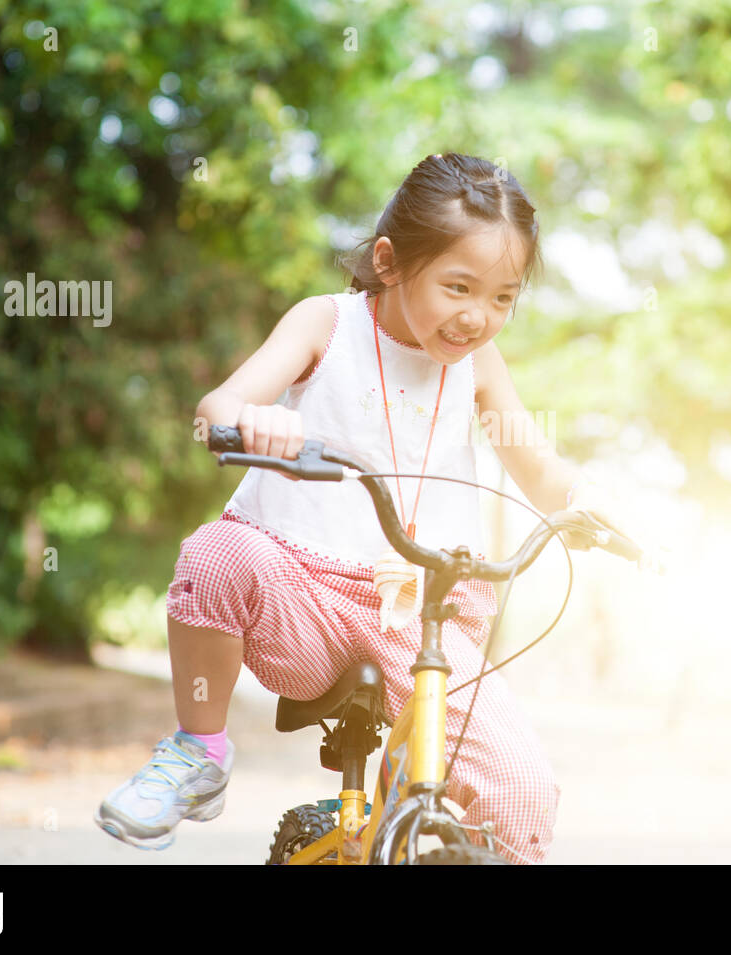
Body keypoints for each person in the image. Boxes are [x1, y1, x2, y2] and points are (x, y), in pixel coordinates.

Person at [94, 152, 633, 864]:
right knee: (216, 555)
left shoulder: (478, 369)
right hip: (306, 595)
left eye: (502, 298)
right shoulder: (328, 325)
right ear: (389, 261)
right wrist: (258, 422)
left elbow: (537, 466)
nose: (477, 317)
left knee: (522, 792)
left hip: (424, 615)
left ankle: (406, 810)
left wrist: (588, 500)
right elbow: (216, 408)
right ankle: (199, 751)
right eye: (459, 286)